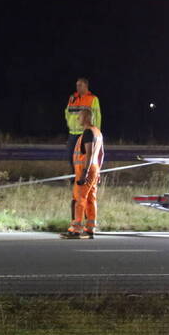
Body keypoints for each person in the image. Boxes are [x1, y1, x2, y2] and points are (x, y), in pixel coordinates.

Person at [60, 108, 104, 239]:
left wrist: (84, 172)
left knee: (80, 198)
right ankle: (90, 228)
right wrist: (98, 171)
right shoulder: (98, 132)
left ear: (85, 118)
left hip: (85, 170)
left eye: (79, 116)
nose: (78, 119)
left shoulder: (88, 133)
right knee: (91, 198)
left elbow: (89, 153)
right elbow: (101, 154)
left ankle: (76, 229)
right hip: (94, 169)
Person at [64, 78, 101, 220]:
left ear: (86, 85)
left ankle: (82, 178)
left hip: (86, 132)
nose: (77, 87)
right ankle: (76, 177)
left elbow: (97, 116)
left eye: (80, 85)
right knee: (73, 160)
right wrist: (70, 125)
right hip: (73, 133)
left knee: (86, 157)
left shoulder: (92, 99)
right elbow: (67, 113)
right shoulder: (73, 98)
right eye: (76, 85)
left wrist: (94, 131)